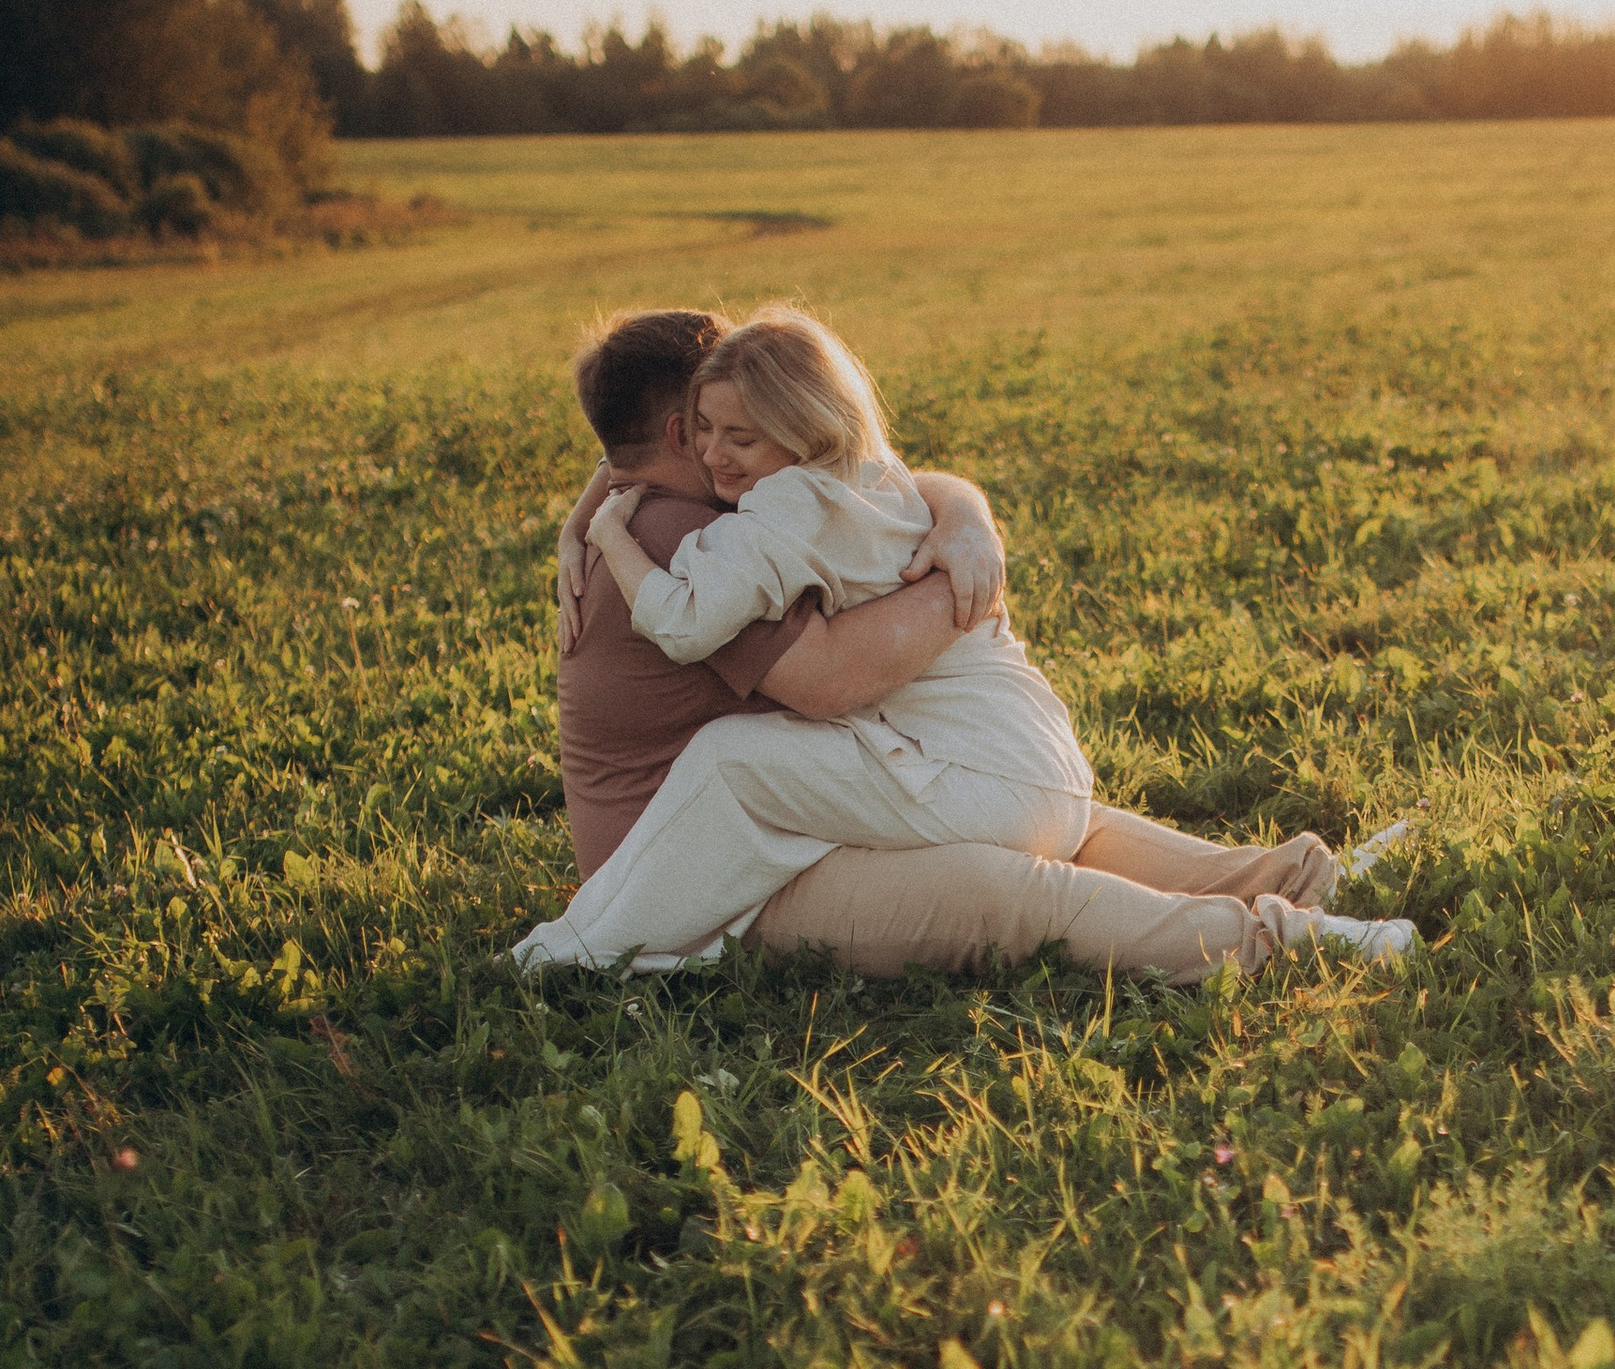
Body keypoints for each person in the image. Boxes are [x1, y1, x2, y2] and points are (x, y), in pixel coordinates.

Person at [530, 306, 1401, 985]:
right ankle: (1281, 937)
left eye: (749, 423)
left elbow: (855, 477)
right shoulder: (684, 535)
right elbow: (836, 679)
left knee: (1017, 803)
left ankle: (1286, 877)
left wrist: (963, 514)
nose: (739, 442)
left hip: (797, 810)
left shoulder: (705, 495)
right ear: (688, 430)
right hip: (711, 874)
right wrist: (959, 584)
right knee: (1003, 888)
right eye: (718, 423)